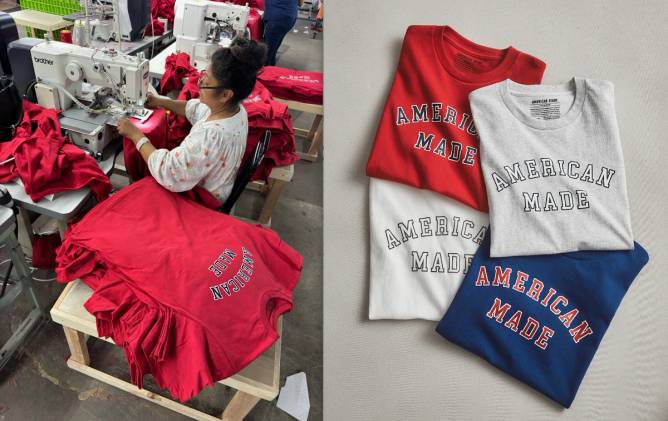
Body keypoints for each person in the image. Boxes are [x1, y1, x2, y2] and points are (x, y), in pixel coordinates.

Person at [117, 38, 267, 204]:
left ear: (225, 95)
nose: (200, 83)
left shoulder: (212, 134)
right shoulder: (236, 112)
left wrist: (135, 135)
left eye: (206, 82)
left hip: (200, 202)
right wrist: (161, 101)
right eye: (203, 75)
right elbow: (194, 109)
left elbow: (168, 171)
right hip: (216, 185)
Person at [263, 0, 304, 65]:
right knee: (271, 51)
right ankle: (269, 70)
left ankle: (266, 72)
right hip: (286, 15)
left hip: (278, 17)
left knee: (267, 53)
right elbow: (300, 3)